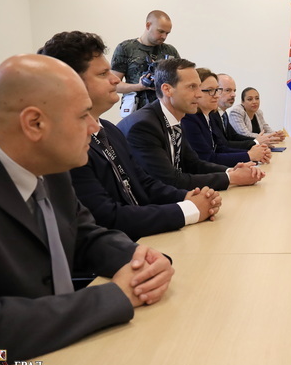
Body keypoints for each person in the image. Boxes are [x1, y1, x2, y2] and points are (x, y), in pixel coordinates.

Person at [0, 54, 174, 365]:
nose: (94, 126)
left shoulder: (45, 159)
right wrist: (117, 295)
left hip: (50, 351)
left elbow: (83, 234)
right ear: (35, 123)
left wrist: (140, 261)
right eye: (84, 115)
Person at [39, 31, 221, 241]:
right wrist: (188, 209)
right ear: (71, 82)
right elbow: (107, 218)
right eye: (103, 74)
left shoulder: (109, 129)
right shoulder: (66, 146)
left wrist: (187, 196)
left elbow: (143, 183)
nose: (115, 80)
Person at [117, 58, 265, 191]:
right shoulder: (144, 126)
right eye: (192, 87)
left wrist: (230, 171)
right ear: (167, 90)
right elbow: (170, 180)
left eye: (199, 87)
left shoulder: (174, 118)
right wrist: (231, 178)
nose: (199, 94)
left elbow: (194, 164)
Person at [182, 68, 272, 166]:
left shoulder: (208, 116)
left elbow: (220, 148)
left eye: (217, 90)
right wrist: (249, 155)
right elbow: (207, 158)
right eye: (210, 90)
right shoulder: (190, 119)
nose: (217, 95)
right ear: (196, 92)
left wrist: (254, 154)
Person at [111, 10, 180, 112]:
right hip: (137, 112)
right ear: (148, 25)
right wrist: (139, 87)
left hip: (166, 110)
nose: (164, 36)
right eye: (161, 31)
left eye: (167, 33)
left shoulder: (170, 51)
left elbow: (180, 80)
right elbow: (113, 85)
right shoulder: (126, 48)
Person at [216, 73, 279, 149]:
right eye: (228, 90)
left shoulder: (223, 114)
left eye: (234, 91)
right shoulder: (234, 112)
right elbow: (223, 145)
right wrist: (256, 142)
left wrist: (274, 135)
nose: (234, 94)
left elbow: (234, 137)